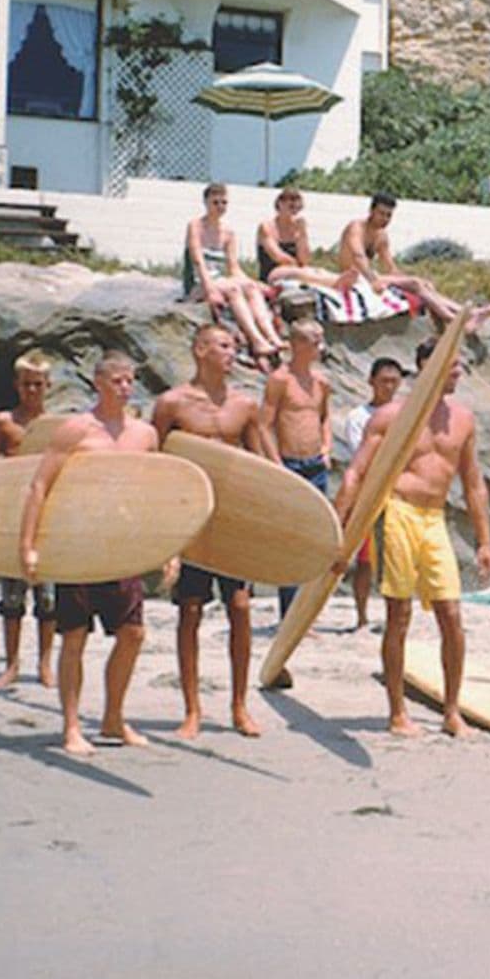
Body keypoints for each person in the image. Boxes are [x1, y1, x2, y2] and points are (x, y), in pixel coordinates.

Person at [337, 337, 490, 736]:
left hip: (434, 518)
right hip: (397, 511)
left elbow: (473, 483)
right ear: (427, 366)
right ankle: (397, 712)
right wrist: (341, 531)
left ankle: (452, 711)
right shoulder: (391, 416)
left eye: (459, 365)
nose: (459, 371)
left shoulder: (463, 419)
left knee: (452, 615)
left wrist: (484, 540)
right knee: (399, 614)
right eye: (452, 364)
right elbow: (356, 473)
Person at [19, 351, 166, 755]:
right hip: (79, 542)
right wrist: (28, 545)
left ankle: (113, 718)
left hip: (122, 544)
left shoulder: (145, 435)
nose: (126, 387)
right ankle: (71, 726)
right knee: (74, 636)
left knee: (133, 633)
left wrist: (167, 547)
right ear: (99, 384)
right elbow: (39, 486)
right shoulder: (76, 430)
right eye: (117, 381)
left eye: (130, 380)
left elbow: (156, 492)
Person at [153, 323, 268, 739]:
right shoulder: (172, 404)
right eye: (223, 345)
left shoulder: (245, 405)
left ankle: (239, 706)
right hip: (191, 519)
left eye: (234, 346)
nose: (232, 352)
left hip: (231, 519)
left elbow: (265, 465)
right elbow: (154, 462)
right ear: (200, 350)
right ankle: (192, 710)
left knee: (240, 607)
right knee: (190, 611)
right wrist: (164, 535)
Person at [0, 351, 57, 691]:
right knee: (12, 598)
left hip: (48, 517)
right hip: (12, 516)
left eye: (38, 385)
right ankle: (12, 665)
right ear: (16, 384)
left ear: (48, 385)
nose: (32, 391)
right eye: (27, 384)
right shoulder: (4, 422)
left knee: (48, 597)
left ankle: (45, 664)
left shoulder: (56, 426)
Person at [338, 193, 490, 332]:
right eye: (381, 214)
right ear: (371, 211)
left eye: (389, 215)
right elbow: (358, 257)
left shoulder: (381, 236)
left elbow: (390, 268)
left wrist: (410, 281)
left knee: (423, 285)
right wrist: (374, 280)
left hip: (368, 277)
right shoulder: (356, 227)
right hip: (352, 278)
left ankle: (467, 314)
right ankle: (456, 320)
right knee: (414, 283)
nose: (385, 219)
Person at [260, 319, 332, 619]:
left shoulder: (321, 382)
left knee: (314, 538)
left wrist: (326, 448)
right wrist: (276, 464)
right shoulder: (280, 379)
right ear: (298, 344)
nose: (320, 346)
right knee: (289, 540)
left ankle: (307, 613)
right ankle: (289, 613)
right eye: (315, 340)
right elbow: (264, 425)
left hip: (315, 465)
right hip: (289, 463)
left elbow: (324, 418)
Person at [333, 357, 405, 632]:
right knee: (364, 560)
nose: (389, 386)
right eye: (384, 381)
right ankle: (361, 614)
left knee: (394, 557)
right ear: (372, 382)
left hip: (398, 492)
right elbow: (361, 456)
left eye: (394, 381)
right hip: (368, 492)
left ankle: (391, 615)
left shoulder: (405, 414)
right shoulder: (359, 417)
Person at [185, 182, 284, 366]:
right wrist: (210, 290)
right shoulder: (196, 226)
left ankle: (271, 336)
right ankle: (256, 341)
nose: (220, 207)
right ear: (206, 203)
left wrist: (253, 282)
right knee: (234, 290)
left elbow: (234, 267)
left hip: (220, 281)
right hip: (199, 282)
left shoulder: (228, 232)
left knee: (251, 288)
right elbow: (198, 261)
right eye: (215, 202)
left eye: (224, 203)